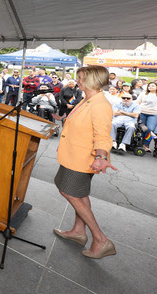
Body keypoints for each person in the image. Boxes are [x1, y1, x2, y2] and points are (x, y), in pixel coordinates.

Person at [53, 65, 118, 259]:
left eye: (80, 77)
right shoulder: (88, 99)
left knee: (69, 192)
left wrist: (100, 157)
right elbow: (83, 121)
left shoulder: (100, 105)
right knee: (80, 195)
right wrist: (64, 118)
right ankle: (79, 231)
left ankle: (100, 239)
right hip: (75, 156)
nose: (77, 80)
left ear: (92, 80)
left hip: (83, 160)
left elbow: (103, 136)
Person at [135, 82, 157, 151]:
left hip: (153, 114)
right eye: (149, 86)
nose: (150, 87)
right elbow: (137, 102)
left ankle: (146, 144)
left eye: (153, 86)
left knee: (150, 129)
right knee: (142, 129)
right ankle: (140, 144)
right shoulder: (143, 94)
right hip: (142, 113)